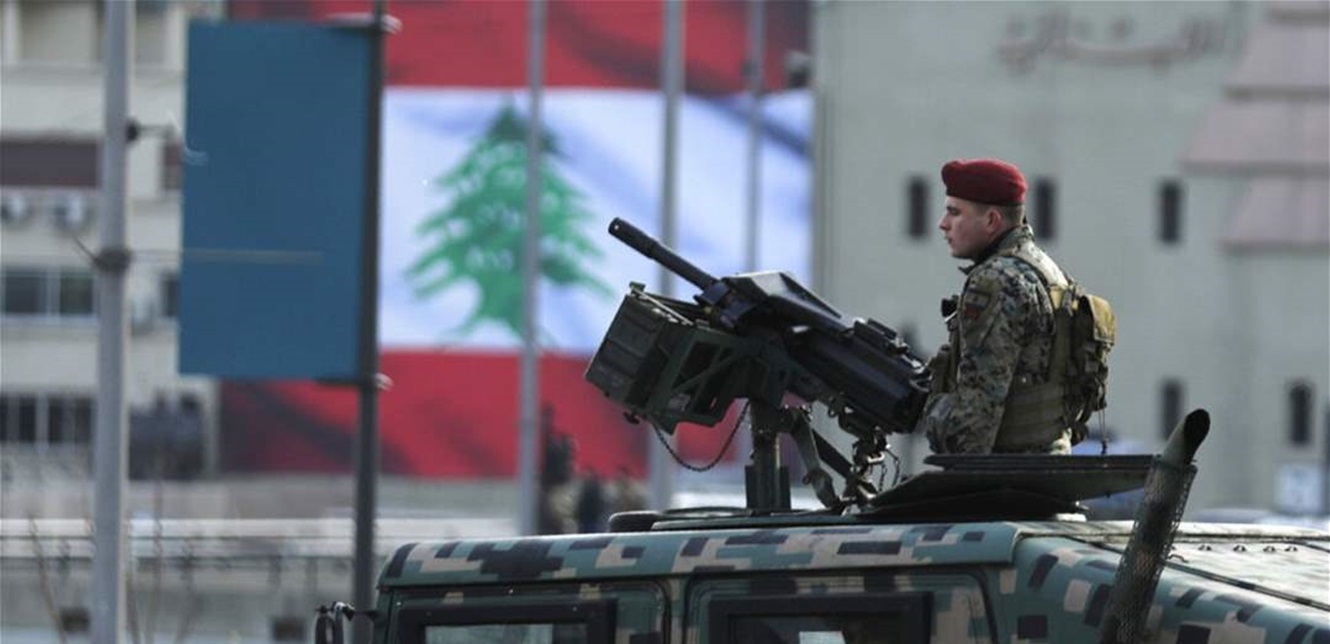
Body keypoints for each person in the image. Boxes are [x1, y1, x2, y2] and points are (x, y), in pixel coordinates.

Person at [918, 158, 1076, 455]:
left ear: (991, 220)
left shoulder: (993, 281)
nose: (943, 223)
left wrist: (935, 415)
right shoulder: (1046, 269)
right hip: (1050, 461)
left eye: (954, 212)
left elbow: (977, 417)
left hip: (1007, 471)